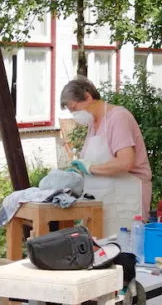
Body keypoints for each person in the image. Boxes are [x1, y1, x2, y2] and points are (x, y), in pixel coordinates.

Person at [59, 76, 153, 218]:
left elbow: (125, 162)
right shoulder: (93, 124)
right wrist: (79, 172)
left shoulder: (118, 117)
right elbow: (96, 162)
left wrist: (90, 168)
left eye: (74, 108)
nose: (74, 114)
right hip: (104, 197)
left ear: (87, 96)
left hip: (127, 197)